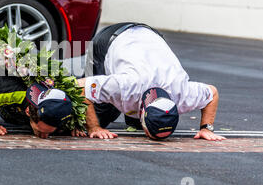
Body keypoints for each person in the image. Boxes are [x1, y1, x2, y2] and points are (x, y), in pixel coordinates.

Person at [77, 23, 226, 141]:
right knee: (101, 115)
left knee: (132, 120)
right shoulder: (126, 85)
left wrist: (206, 128)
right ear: (143, 112)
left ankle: (132, 118)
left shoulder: (181, 93)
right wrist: (94, 127)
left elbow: (212, 93)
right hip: (110, 38)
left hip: (150, 37)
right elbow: (81, 86)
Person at [0, 76, 74, 139]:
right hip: (6, 103)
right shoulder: (8, 88)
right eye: (40, 131)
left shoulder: (64, 106)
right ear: (28, 111)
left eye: (49, 133)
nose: (44, 137)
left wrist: (75, 126)